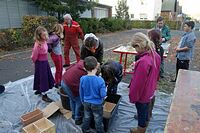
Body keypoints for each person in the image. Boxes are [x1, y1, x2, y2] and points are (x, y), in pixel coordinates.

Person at [129, 33, 161, 133]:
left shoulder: (143, 61)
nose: (136, 51)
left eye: (135, 48)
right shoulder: (155, 55)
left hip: (142, 95)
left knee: (141, 112)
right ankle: (145, 123)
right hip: (150, 90)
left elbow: (138, 84)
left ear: (139, 45)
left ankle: (140, 129)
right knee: (146, 109)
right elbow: (155, 72)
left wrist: (133, 97)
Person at [79, 56, 106, 133]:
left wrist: (82, 101)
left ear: (84, 68)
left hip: (86, 102)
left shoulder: (82, 78)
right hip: (97, 103)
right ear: (96, 67)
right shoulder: (100, 80)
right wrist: (104, 95)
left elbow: (81, 91)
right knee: (98, 119)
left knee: (87, 116)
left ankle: (85, 129)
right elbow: (103, 94)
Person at [31, 26, 55, 102]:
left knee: (41, 77)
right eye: (43, 35)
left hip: (44, 62)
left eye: (46, 35)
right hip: (40, 64)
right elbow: (34, 56)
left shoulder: (44, 41)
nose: (45, 37)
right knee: (43, 78)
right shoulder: (37, 45)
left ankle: (39, 89)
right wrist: (35, 62)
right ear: (39, 36)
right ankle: (44, 95)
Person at [61, 60, 87, 125]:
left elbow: (68, 69)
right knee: (78, 101)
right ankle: (77, 118)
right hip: (69, 85)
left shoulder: (80, 63)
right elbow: (83, 87)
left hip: (63, 80)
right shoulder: (85, 73)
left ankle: (73, 115)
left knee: (72, 99)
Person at [47, 24, 64, 88]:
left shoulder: (57, 36)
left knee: (61, 68)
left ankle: (60, 80)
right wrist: (50, 50)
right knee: (59, 68)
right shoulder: (54, 36)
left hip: (58, 53)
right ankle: (57, 82)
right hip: (55, 53)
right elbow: (48, 42)